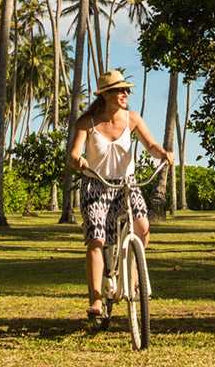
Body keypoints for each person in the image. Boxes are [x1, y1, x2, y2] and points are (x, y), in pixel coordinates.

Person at [68, 69, 173, 323]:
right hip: (97, 186)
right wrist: (78, 161)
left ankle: (134, 276)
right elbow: (73, 154)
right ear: (106, 95)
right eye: (120, 90)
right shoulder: (87, 122)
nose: (125, 93)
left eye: (127, 90)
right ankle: (95, 298)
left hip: (127, 185)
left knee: (143, 226)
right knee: (96, 238)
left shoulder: (132, 119)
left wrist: (163, 154)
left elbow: (151, 145)